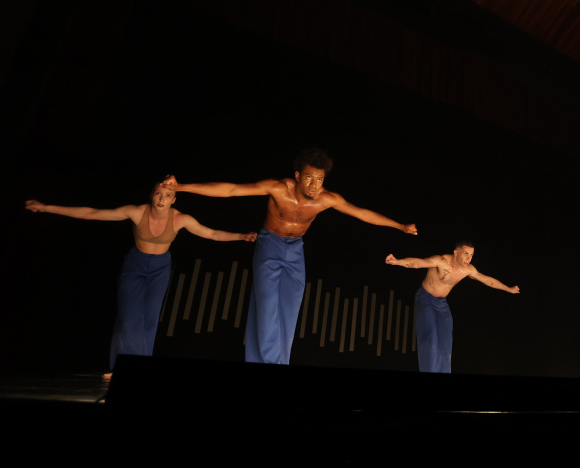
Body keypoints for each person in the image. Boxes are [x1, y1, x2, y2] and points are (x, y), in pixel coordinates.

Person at [163, 148, 416, 365]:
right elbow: (230, 190)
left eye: (319, 179)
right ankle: (273, 363)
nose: (313, 185)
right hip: (269, 244)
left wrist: (400, 226)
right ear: (298, 176)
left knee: (289, 307)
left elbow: (362, 214)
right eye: (308, 178)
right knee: (267, 304)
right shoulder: (278, 188)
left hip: (296, 248)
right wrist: (181, 187)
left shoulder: (327, 199)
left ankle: (278, 362)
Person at [25, 183, 256, 374]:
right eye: (158, 193)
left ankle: (137, 369)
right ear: (151, 194)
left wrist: (242, 236)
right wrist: (46, 207)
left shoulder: (181, 219)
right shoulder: (136, 212)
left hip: (159, 269)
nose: (162, 199)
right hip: (135, 266)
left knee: (149, 320)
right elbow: (92, 213)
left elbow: (212, 234)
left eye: (168, 195)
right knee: (129, 318)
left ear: (174, 199)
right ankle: (120, 368)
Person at [385, 241, 519, 373]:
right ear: (456, 253)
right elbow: (417, 263)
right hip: (425, 299)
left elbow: (488, 281)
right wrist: (397, 261)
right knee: (430, 338)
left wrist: (508, 289)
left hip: (442, 304)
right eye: (465, 253)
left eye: (471, 255)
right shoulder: (441, 261)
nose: (469, 258)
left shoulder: (468, 270)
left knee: (446, 344)